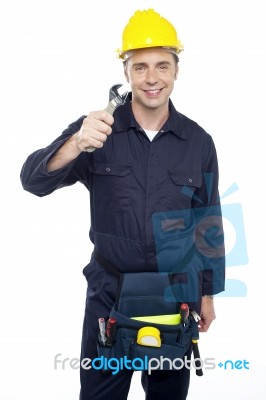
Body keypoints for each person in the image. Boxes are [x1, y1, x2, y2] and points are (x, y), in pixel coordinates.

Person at [20, 8, 225, 400]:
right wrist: (76, 143)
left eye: (162, 66)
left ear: (176, 71)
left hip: (174, 296)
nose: (152, 78)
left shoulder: (199, 141)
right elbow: (32, 181)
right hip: (109, 295)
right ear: (126, 71)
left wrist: (208, 294)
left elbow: (208, 221)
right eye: (140, 67)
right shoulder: (96, 129)